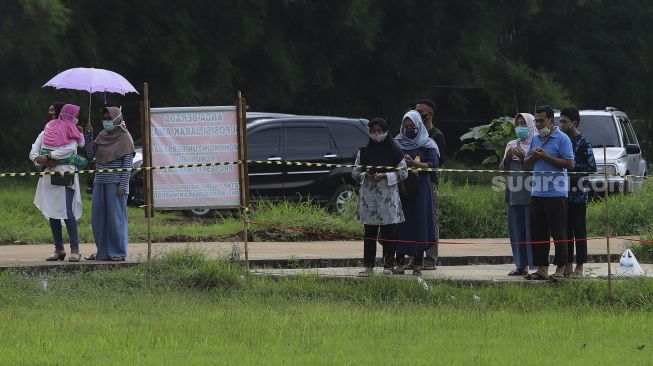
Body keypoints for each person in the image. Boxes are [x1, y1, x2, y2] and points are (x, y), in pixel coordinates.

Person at [524, 105, 574, 280]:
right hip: (537, 192)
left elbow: (569, 164)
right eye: (536, 120)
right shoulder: (535, 138)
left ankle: (561, 268)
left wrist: (546, 157)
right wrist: (534, 157)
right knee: (538, 231)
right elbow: (527, 163)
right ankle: (542, 268)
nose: (537, 124)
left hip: (556, 193)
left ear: (550, 120)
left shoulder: (562, 138)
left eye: (541, 120)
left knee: (559, 232)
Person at [352, 118, 408, 277]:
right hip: (369, 200)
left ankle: (388, 266)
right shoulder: (363, 151)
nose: (376, 134)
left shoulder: (395, 151)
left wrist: (385, 175)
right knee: (369, 233)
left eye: (379, 131)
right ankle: (368, 267)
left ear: (385, 131)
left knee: (389, 233)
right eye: (373, 131)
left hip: (388, 199)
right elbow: (355, 172)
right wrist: (366, 175)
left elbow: (404, 172)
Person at [29, 103, 84, 262]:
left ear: (61, 113)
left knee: (66, 211)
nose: (50, 112)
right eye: (49, 109)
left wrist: (49, 156)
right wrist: (41, 161)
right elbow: (33, 152)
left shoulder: (71, 130)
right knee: (52, 212)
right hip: (48, 176)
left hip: (65, 175)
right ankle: (59, 249)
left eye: (53, 110)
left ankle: (75, 249)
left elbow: (70, 147)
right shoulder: (45, 131)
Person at [84, 107, 135, 261]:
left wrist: (123, 186)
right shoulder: (101, 135)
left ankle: (118, 252)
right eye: (104, 118)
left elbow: (127, 165)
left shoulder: (125, 138)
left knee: (116, 218)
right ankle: (103, 252)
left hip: (116, 185)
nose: (106, 121)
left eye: (109, 118)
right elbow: (90, 154)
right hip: (99, 183)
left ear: (117, 119)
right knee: (98, 219)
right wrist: (88, 135)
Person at [393, 110, 439, 276]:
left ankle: (418, 263)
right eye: (406, 126)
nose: (409, 129)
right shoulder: (397, 142)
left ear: (418, 125)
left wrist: (414, 164)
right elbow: (390, 162)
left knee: (420, 223)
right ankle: (399, 262)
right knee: (401, 224)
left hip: (421, 189)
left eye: (412, 125)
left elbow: (433, 164)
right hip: (402, 189)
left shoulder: (428, 143)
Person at [559, 107, 596, 277]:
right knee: (565, 231)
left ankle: (580, 266)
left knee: (579, 230)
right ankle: (567, 264)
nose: (561, 125)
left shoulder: (583, 142)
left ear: (574, 123)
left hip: (578, 193)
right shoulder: (561, 140)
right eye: (560, 121)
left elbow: (591, 166)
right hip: (561, 192)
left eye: (564, 122)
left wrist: (571, 166)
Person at [500, 113, 536, 275]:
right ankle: (520, 265)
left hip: (531, 194)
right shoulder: (511, 144)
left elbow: (537, 169)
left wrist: (523, 158)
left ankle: (535, 266)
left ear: (531, 125)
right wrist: (507, 157)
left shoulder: (536, 144)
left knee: (532, 231)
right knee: (516, 231)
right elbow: (502, 169)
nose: (520, 128)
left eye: (524, 124)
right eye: (518, 124)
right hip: (513, 194)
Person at [415, 98, 443, 270]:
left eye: (421, 112)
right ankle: (413, 257)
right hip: (412, 181)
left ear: (429, 114)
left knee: (431, 219)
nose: (418, 115)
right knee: (413, 219)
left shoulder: (436, 136)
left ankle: (431, 259)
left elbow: (438, 161)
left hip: (429, 182)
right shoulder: (411, 133)